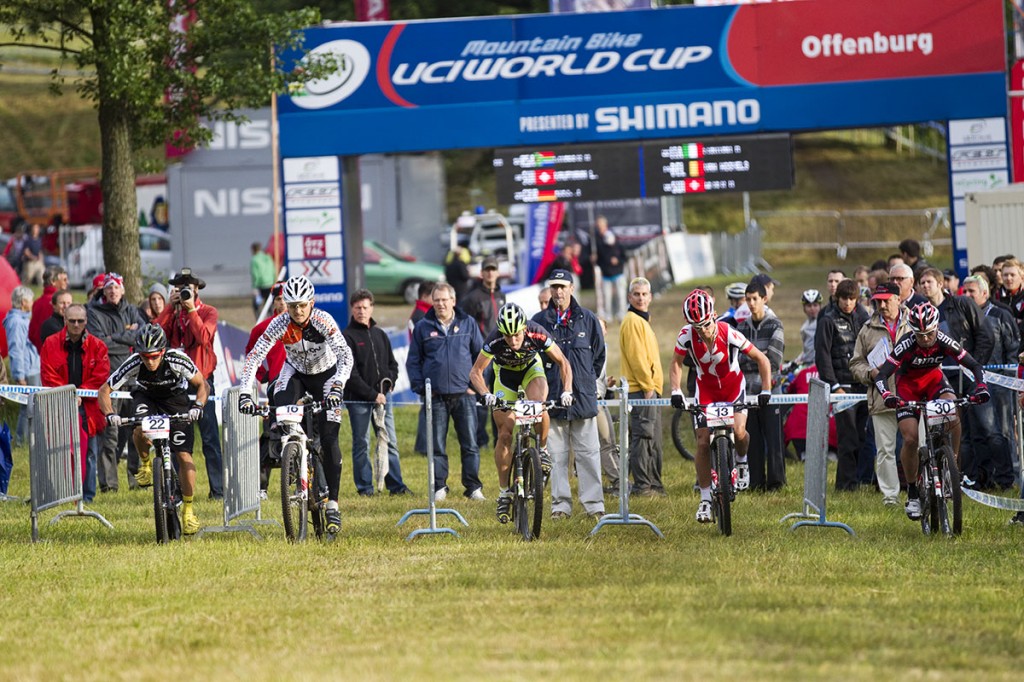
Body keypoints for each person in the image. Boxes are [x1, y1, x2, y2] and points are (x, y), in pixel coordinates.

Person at [238, 275, 353, 534]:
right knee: (281, 407)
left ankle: (333, 503)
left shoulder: (323, 321)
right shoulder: (280, 323)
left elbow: (346, 355)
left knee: (330, 438)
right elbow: (255, 355)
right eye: (292, 306)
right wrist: (246, 392)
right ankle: (294, 450)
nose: (297, 311)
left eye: (302, 305)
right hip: (296, 373)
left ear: (311, 303)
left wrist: (338, 386)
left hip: (327, 376)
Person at [873, 303, 988, 521]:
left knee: (953, 410)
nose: (925, 339)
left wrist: (981, 386)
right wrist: (887, 395)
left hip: (934, 381)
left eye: (929, 334)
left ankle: (951, 468)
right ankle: (914, 493)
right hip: (908, 386)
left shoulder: (944, 340)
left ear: (937, 327)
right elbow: (881, 376)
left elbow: (975, 366)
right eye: (920, 335)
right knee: (910, 439)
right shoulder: (906, 343)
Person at [670, 289, 772, 522]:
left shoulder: (728, 332)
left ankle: (742, 461)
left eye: (706, 324)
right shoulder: (686, 335)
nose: (703, 331)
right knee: (703, 442)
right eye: (697, 327)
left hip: (733, 388)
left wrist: (766, 390)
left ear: (714, 316)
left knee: (739, 432)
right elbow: (675, 363)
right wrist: (675, 390)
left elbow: (762, 359)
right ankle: (705, 498)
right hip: (705, 390)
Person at [99, 325, 209, 534]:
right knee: (139, 426)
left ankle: (188, 509)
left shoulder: (177, 358)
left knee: (184, 456)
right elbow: (104, 390)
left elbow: (203, 384)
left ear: (163, 351)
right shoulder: (134, 362)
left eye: (154, 356)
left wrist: (198, 406)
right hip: (147, 398)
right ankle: (146, 464)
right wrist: (110, 414)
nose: (149, 361)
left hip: (175, 401)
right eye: (145, 357)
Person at [470, 302, 573, 523]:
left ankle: (542, 450)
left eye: (516, 334)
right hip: (505, 376)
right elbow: (476, 372)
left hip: (530, 370)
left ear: (524, 328)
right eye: (508, 336)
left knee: (538, 404)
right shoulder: (495, 339)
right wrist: (486, 393)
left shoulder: (537, 332)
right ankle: (504, 492)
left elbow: (563, 362)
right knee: (505, 434)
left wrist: (567, 390)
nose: (513, 340)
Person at [531, 270, 605, 519]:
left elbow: (599, 356)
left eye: (563, 286)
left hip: (583, 397)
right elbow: (534, 360)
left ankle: (593, 505)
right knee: (557, 457)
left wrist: (583, 382)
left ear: (572, 288)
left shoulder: (588, 318)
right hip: (551, 399)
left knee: (588, 455)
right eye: (554, 287)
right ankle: (560, 506)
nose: (559, 292)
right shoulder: (539, 321)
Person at [406, 281, 486, 501]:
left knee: (470, 444)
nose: (440, 304)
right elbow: (413, 362)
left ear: (453, 301)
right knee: (437, 446)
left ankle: (473, 488)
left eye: (444, 300)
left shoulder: (468, 323)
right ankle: (439, 487)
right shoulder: (423, 326)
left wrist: (475, 388)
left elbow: (482, 358)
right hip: (436, 398)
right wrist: (421, 388)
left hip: (465, 396)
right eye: (436, 300)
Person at [155, 268, 224, 499]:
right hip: (175, 383)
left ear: (197, 291)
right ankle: (175, 489)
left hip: (201, 382)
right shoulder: (172, 314)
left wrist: (191, 310)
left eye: (188, 289)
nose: (184, 293)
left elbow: (204, 338)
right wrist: (168, 308)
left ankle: (217, 490)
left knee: (210, 438)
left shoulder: (208, 312)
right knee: (176, 438)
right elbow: (155, 336)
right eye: (180, 289)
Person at [342, 289, 412, 497]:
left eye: (365, 307)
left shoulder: (380, 335)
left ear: (372, 308)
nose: (362, 311)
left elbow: (393, 365)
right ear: (352, 310)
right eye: (357, 308)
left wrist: (390, 381)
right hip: (358, 401)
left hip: (384, 398)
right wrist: (373, 395)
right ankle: (365, 488)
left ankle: (396, 485)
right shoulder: (346, 337)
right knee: (361, 443)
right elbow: (350, 375)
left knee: (389, 440)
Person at [40, 304, 110, 503]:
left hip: (88, 407)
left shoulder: (98, 346)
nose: (76, 325)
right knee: (61, 451)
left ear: (86, 321)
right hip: (60, 405)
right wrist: (69, 394)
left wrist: (80, 394)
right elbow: (48, 375)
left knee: (90, 453)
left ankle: (87, 496)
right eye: (72, 321)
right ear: (65, 321)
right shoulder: (50, 344)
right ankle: (62, 494)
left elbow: (101, 376)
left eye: (80, 321)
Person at [850, 282, 911, 506]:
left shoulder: (915, 322)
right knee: (885, 450)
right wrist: (871, 372)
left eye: (887, 300)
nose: (882, 305)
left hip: (913, 396)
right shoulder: (867, 329)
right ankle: (890, 497)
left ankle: (918, 489)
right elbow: (856, 362)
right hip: (881, 398)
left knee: (917, 444)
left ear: (898, 299)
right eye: (878, 301)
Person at [87, 272, 147, 492]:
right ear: (103, 290)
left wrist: (114, 337)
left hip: (134, 379)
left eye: (116, 287)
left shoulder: (132, 311)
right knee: (110, 436)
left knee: (136, 433)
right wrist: (125, 335)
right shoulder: (94, 313)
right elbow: (99, 344)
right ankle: (109, 485)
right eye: (109, 287)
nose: (113, 291)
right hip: (110, 381)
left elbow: (142, 337)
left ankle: (137, 481)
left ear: (123, 290)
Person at [961, 274, 1018, 490]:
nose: (966, 296)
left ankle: (1007, 478)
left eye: (971, 292)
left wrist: (1007, 381)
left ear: (984, 293)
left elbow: (1012, 349)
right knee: (977, 434)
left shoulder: (1000, 315)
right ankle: (983, 479)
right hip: (973, 382)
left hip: (1000, 383)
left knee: (1000, 433)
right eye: (964, 292)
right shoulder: (962, 317)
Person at [814, 278, 870, 491]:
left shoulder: (864, 317)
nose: (848, 303)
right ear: (837, 298)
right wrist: (834, 385)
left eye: (852, 298)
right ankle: (845, 484)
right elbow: (823, 357)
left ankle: (862, 479)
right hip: (841, 387)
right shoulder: (827, 321)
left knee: (862, 436)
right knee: (848, 438)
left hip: (863, 385)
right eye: (844, 298)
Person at [736, 281, 786, 491]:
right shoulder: (741, 327)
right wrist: (759, 357)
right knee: (753, 438)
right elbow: (737, 360)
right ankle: (756, 482)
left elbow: (774, 359)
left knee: (774, 439)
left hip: (771, 390)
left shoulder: (775, 325)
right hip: (747, 393)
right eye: (748, 299)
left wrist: (753, 356)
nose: (751, 303)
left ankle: (776, 483)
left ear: (764, 299)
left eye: (755, 298)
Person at [620, 277, 666, 497]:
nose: (640, 298)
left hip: (651, 388)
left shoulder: (642, 320)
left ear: (650, 297)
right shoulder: (632, 321)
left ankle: (655, 484)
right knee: (643, 437)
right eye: (636, 294)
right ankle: (642, 486)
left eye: (644, 294)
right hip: (641, 389)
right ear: (629, 297)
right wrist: (648, 386)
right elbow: (637, 358)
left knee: (654, 439)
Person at [245, 281, 287, 496]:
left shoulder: (302, 324)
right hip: (274, 390)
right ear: (274, 301)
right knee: (270, 437)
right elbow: (250, 353)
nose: (283, 303)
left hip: (300, 389)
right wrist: (265, 376)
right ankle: (262, 486)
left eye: (286, 298)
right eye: (279, 299)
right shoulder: (263, 328)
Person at [462, 256, 506, 449]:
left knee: (500, 397)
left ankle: (500, 437)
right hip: (482, 355)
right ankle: (481, 441)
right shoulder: (472, 298)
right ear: (482, 273)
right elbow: (466, 328)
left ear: (497, 272)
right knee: (482, 399)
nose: (490, 273)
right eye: (487, 269)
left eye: (493, 269)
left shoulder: (501, 295)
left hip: (502, 356)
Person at [4, 286, 40, 445]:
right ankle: (21, 441)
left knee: (32, 406)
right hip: (27, 370)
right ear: (24, 302)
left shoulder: (23, 319)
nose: (32, 303)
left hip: (32, 367)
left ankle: (28, 439)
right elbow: (16, 349)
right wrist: (19, 375)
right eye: (30, 300)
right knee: (27, 408)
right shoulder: (17, 322)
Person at [407, 280, 435, 457]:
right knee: (427, 408)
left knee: (427, 408)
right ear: (425, 296)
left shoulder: (425, 313)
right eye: (434, 296)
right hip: (424, 367)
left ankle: (422, 445)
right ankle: (424, 447)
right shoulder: (419, 316)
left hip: (426, 366)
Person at [594, 215, 627, 322]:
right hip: (606, 274)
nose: (600, 229)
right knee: (606, 297)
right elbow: (598, 258)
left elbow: (624, 256)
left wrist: (617, 260)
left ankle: (621, 314)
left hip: (618, 272)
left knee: (621, 296)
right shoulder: (596, 241)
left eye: (601, 226)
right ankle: (608, 315)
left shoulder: (615, 239)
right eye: (598, 226)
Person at [29, 264, 68, 350]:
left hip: (39, 350)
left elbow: (32, 332)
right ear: (53, 282)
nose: (67, 282)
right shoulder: (57, 303)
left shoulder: (37, 302)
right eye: (64, 280)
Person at [794, 289, 822, 365]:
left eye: (815, 305)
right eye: (809, 306)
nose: (812, 308)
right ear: (804, 308)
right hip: (807, 363)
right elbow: (806, 349)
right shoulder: (804, 327)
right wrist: (798, 359)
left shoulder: (823, 323)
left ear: (820, 306)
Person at [250, 241, 276, 317]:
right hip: (270, 283)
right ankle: (271, 319)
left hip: (260, 285)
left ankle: (258, 319)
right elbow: (273, 270)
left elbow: (255, 274)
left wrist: (254, 286)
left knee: (256, 305)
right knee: (268, 305)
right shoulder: (268, 257)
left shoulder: (254, 259)